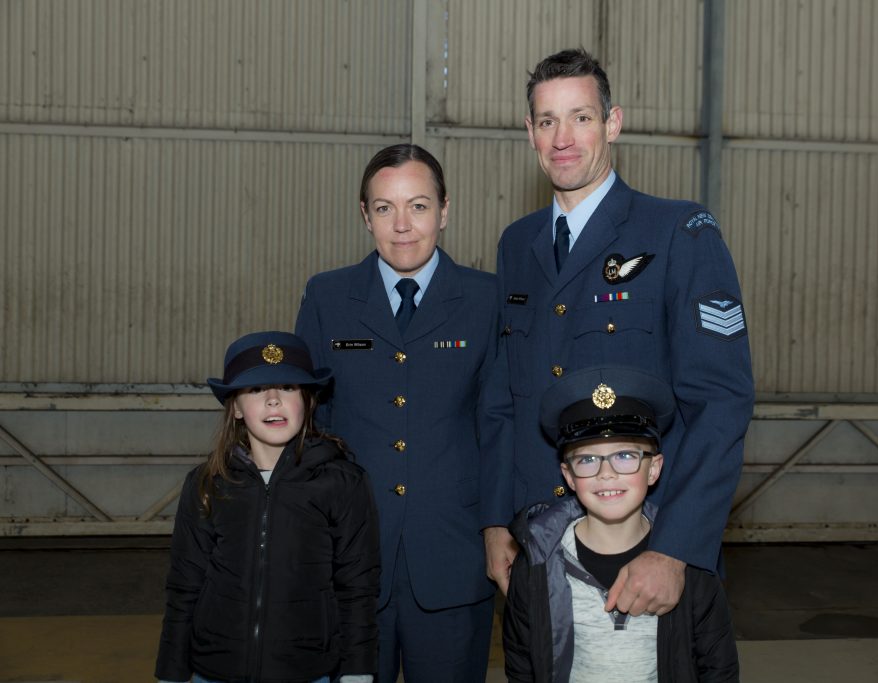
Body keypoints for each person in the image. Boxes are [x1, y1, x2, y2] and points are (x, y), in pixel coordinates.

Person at [480, 48, 755, 618]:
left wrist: (676, 549)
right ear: (529, 132)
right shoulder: (517, 244)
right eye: (547, 121)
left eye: (581, 117)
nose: (563, 138)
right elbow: (506, 397)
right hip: (540, 544)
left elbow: (721, 402)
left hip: (645, 545)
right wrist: (495, 520)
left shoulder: (679, 231)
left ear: (613, 123)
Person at [295, 144, 497, 682]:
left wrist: (501, 530)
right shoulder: (328, 297)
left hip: (454, 557)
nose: (403, 225)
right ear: (365, 215)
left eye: (419, 206)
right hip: (350, 559)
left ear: (445, 211)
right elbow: (309, 426)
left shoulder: (485, 300)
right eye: (385, 208)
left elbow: (500, 425)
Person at [154, 331, 380, 683]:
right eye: (257, 390)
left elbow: (358, 588)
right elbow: (185, 585)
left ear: (307, 400)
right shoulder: (207, 483)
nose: (273, 400)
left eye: (288, 388)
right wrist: (171, 670)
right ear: (236, 408)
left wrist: (357, 670)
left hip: (308, 672)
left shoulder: (342, 482)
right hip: (214, 671)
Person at [503, 366, 739, 682]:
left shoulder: (686, 563)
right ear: (568, 476)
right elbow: (521, 664)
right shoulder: (535, 562)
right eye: (587, 459)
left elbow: (718, 666)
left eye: (625, 456)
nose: (606, 473)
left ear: (654, 468)